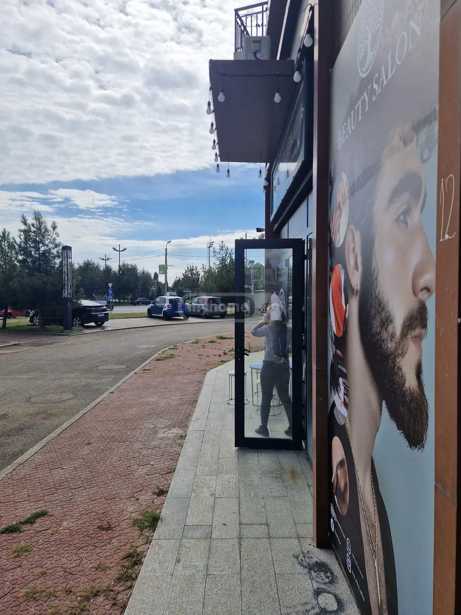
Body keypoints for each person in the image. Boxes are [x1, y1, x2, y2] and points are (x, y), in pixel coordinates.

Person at [330, 124, 435, 615]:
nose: (429, 273)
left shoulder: (369, 485)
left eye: (420, 217)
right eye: (402, 215)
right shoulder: (347, 471)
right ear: (354, 255)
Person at [251, 297, 292, 438]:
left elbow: (253, 331)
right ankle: (293, 426)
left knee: (266, 397)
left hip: (269, 366)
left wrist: (263, 320)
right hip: (283, 366)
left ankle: (264, 428)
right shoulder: (288, 329)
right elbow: (291, 347)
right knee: (285, 398)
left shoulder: (268, 329)